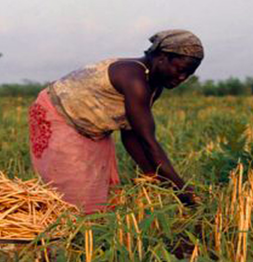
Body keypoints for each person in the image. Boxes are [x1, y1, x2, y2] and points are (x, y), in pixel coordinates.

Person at [28, 29, 204, 213]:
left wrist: (153, 176)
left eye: (189, 74)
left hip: (94, 128)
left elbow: (131, 134)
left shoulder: (153, 86)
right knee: (71, 194)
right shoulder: (134, 79)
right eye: (180, 69)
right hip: (59, 116)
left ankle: (88, 234)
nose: (182, 77)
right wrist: (182, 189)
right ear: (161, 57)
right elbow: (148, 141)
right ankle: (64, 236)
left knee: (96, 190)